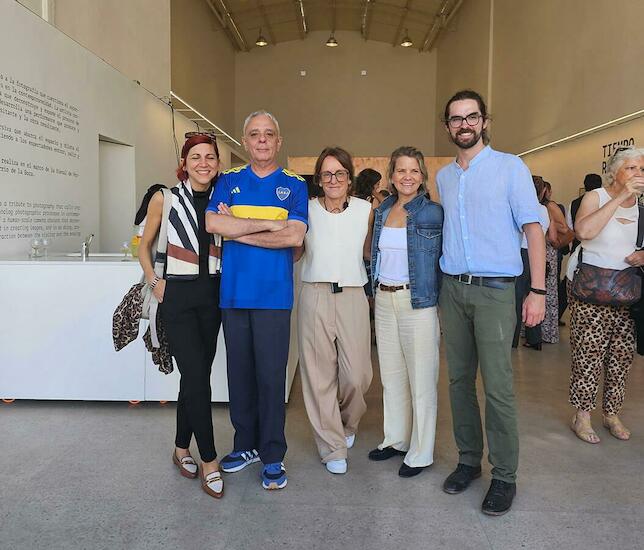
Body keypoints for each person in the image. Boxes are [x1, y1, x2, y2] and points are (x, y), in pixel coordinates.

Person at [437, 90, 545, 515]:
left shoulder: (510, 167)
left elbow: (534, 230)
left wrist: (537, 291)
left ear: (483, 121)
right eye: (455, 118)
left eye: (471, 117)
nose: (464, 124)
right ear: (447, 126)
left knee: (498, 387)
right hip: (454, 289)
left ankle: (504, 476)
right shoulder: (445, 177)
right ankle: (468, 460)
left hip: (497, 290)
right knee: (459, 381)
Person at [206, 111, 308, 490]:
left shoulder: (294, 185)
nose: (262, 140)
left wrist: (240, 230)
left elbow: (294, 238)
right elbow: (214, 224)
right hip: (233, 296)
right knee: (240, 377)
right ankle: (244, 445)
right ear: (245, 142)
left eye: (269, 134)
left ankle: (272, 455)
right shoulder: (228, 181)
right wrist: (269, 225)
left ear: (278, 142)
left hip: (274, 298)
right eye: (254, 134)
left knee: (270, 378)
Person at [139, 133, 224, 499]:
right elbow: (143, 246)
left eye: (210, 157)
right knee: (197, 378)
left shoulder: (224, 197)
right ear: (185, 162)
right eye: (196, 157)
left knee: (196, 377)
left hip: (214, 297)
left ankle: (179, 448)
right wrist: (154, 280)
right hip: (178, 296)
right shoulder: (166, 197)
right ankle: (209, 460)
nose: (203, 163)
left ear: (218, 163)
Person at [294, 147, 373, 475]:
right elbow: (295, 250)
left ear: (350, 178)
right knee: (318, 374)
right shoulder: (307, 210)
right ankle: (332, 445)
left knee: (357, 375)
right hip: (315, 294)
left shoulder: (366, 210)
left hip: (354, 294)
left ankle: (346, 424)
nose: (333, 180)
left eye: (339, 173)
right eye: (326, 174)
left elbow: (371, 251)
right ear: (318, 179)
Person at [367, 146, 443, 478]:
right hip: (384, 300)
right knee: (392, 376)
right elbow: (372, 254)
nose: (407, 177)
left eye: (414, 171)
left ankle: (421, 451)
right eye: (401, 171)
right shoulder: (383, 210)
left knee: (422, 379)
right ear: (392, 175)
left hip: (418, 303)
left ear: (423, 175)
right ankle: (396, 439)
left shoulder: (433, 212)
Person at [566, 147, 644, 444]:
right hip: (591, 290)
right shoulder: (595, 197)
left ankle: (611, 413)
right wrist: (621, 198)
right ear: (615, 172)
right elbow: (584, 231)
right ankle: (582, 415)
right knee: (588, 355)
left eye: (643, 170)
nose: (639, 175)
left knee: (621, 357)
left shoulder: (643, 208)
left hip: (627, 292)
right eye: (632, 168)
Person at [513, 176, 550, 350]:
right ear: (542, 190)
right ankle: (534, 338)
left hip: (521, 253)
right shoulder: (543, 209)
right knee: (534, 296)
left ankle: (512, 339)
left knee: (515, 298)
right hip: (539, 255)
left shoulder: (520, 207)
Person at [559, 174, 602, 321]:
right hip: (599, 249)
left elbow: (571, 228)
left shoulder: (574, 203)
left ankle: (563, 313)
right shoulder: (606, 203)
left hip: (578, 248)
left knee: (571, 280)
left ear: (584, 185)